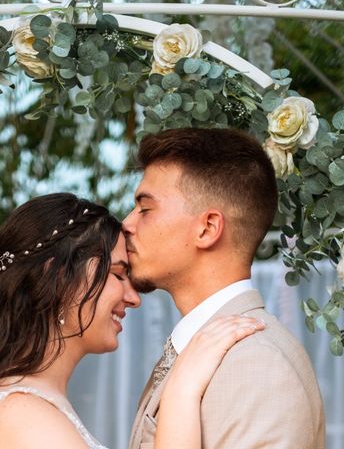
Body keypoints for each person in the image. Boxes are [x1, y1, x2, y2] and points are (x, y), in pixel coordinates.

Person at [0, 192, 265, 449]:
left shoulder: (27, 404)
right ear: (59, 279)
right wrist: (182, 389)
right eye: (117, 274)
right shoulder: (21, 415)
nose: (134, 297)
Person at [124, 128, 326, 449]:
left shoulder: (256, 365)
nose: (127, 223)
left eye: (145, 209)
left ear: (207, 228)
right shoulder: (206, 351)